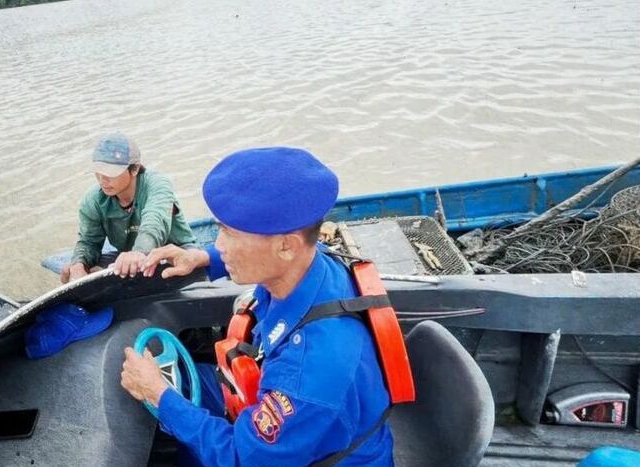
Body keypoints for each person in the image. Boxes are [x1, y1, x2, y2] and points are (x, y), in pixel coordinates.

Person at [120, 147, 394, 466]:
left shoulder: (310, 372)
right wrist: (204, 258)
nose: (218, 244)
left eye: (228, 234)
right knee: (189, 376)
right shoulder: (310, 262)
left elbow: (241, 459)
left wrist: (158, 395)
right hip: (279, 406)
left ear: (286, 246)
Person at [61, 132, 198, 283]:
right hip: (129, 257)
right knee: (82, 268)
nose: (102, 179)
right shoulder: (93, 199)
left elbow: (154, 222)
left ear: (135, 169)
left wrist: (139, 252)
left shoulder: (158, 185)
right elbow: (89, 242)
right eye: (98, 172)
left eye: (110, 173)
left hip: (177, 253)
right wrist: (79, 264)